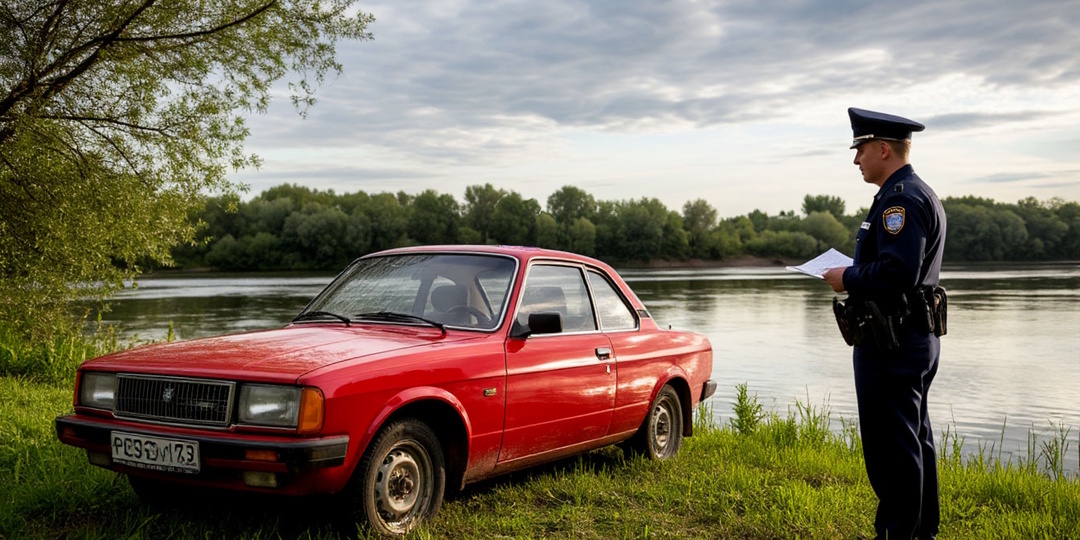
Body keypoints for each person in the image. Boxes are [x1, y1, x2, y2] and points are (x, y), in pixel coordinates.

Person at [822, 108, 947, 540]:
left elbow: (898, 272)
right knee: (913, 440)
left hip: (892, 343)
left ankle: (898, 534)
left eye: (859, 149)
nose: (856, 160)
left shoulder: (900, 200)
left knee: (891, 447)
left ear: (882, 149)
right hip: (910, 337)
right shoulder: (912, 192)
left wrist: (846, 277)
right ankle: (919, 532)